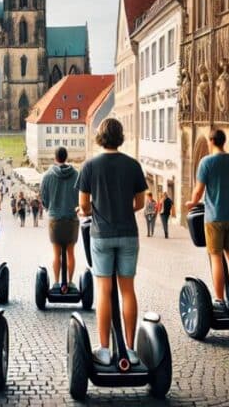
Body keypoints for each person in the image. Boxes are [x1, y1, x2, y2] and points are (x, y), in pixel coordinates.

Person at [76, 118, 147, 366]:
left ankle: (104, 349)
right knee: (128, 290)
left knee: (104, 291)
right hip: (128, 232)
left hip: (101, 234)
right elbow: (140, 203)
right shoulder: (133, 165)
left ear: (100, 137)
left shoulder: (89, 166)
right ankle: (130, 348)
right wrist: (123, 208)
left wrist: (91, 211)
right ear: (121, 137)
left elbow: (83, 206)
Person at [185, 129, 229, 313]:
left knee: (216, 257)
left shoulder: (206, 162)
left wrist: (192, 203)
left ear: (211, 141)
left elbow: (198, 191)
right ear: (224, 141)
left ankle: (219, 299)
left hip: (214, 217)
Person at [40, 146, 79, 290]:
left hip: (55, 219)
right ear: (66, 157)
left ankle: (56, 282)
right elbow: (80, 198)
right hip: (71, 218)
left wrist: (49, 206)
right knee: (70, 253)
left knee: (56, 253)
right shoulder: (76, 174)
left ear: (55, 158)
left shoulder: (47, 175)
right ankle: (69, 282)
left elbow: (44, 199)